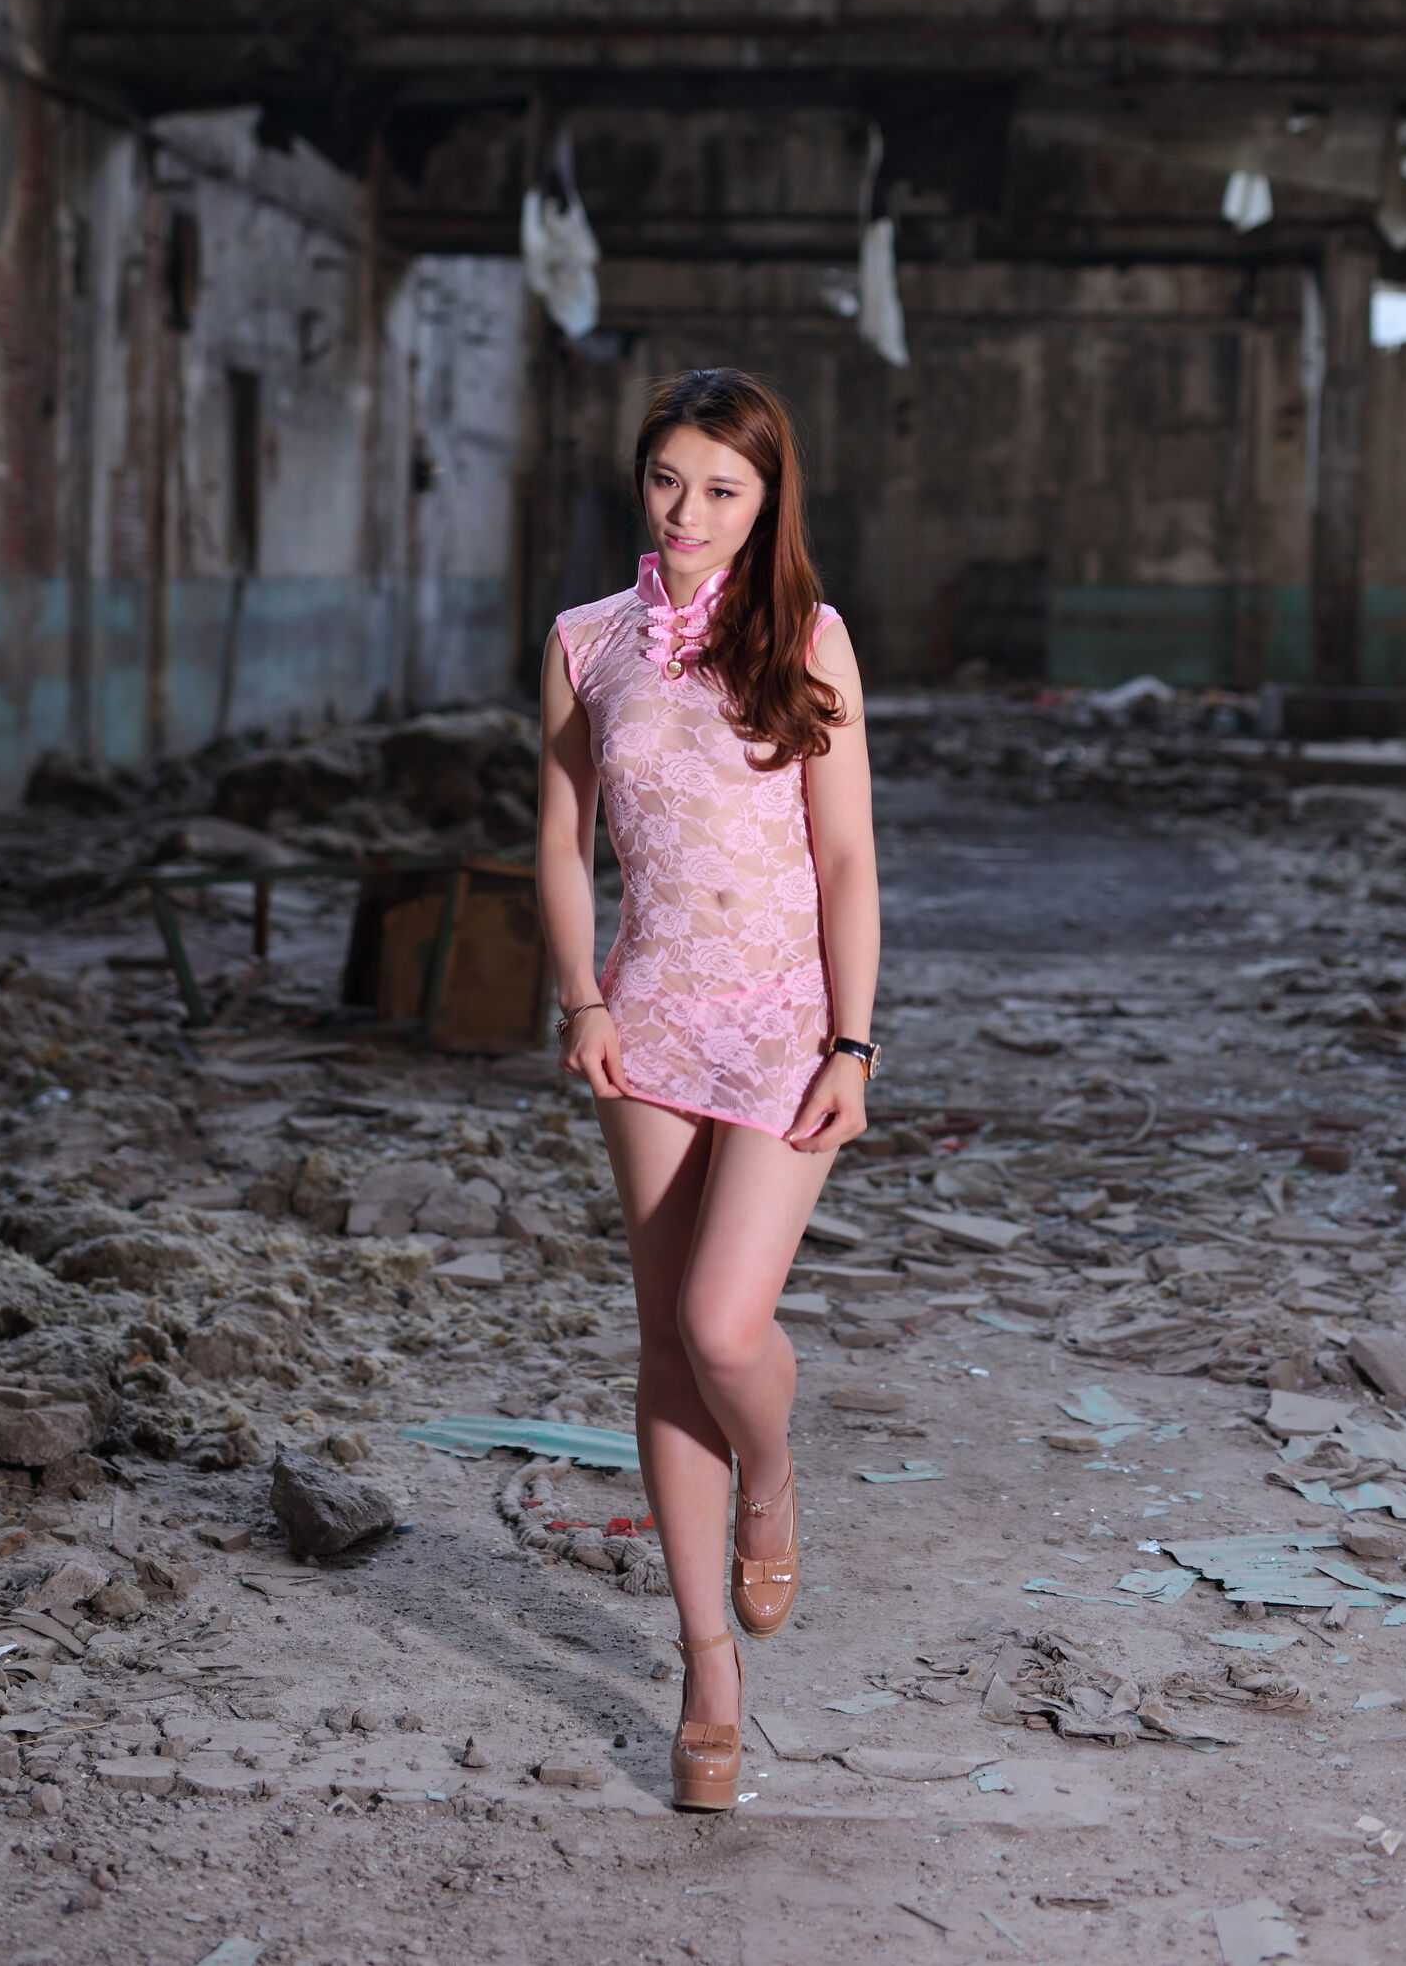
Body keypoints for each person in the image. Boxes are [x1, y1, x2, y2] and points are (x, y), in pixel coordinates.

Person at [535, 366, 881, 1813]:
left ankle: (771, 1470)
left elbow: (848, 859)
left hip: (788, 1026)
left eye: (722, 489)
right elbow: (563, 839)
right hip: (649, 1027)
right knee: (665, 1344)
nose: (687, 512)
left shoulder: (809, 636)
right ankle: (706, 1674)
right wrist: (584, 1000)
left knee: (724, 1324)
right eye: (668, 480)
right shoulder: (585, 641)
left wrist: (853, 1045)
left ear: (766, 500)